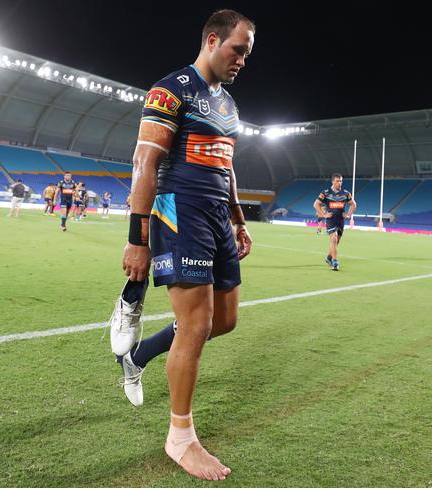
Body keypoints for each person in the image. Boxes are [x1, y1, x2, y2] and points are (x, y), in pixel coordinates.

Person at [112, 9, 254, 481]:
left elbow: (227, 167)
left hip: (216, 217)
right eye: (238, 49)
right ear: (213, 40)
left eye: (247, 54)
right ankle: (181, 438)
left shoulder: (229, 106)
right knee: (195, 325)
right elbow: (144, 162)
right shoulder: (172, 89)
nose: (242, 60)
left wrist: (238, 219)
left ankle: (137, 357)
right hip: (179, 211)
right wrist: (138, 238)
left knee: (224, 321)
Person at [313, 173, 356, 271]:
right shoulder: (326, 193)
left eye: (341, 181)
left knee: (337, 241)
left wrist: (348, 214)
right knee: (334, 238)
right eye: (337, 181)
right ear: (332, 181)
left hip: (340, 221)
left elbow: (353, 204)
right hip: (331, 220)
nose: (339, 183)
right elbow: (316, 204)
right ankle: (335, 262)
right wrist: (324, 215)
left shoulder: (346, 193)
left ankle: (329, 257)